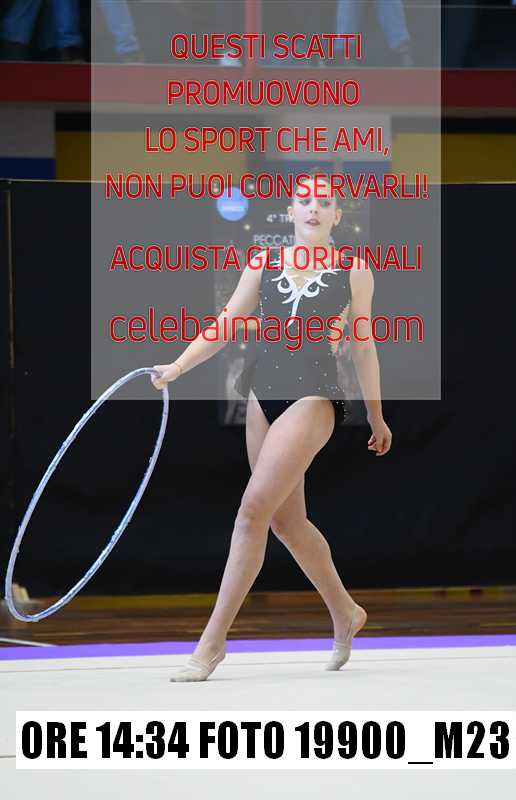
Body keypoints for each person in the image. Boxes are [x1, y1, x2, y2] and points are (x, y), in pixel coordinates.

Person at [152, 175, 392, 682]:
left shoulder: (354, 270)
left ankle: (212, 643)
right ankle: (346, 612)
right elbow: (226, 323)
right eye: (304, 200)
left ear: (337, 215)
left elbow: (363, 345)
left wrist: (376, 414)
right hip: (264, 393)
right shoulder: (263, 262)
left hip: (315, 395)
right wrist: (177, 366)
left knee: (251, 512)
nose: (313, 208)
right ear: (290, 210)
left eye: (323, 202)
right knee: (287, 522)